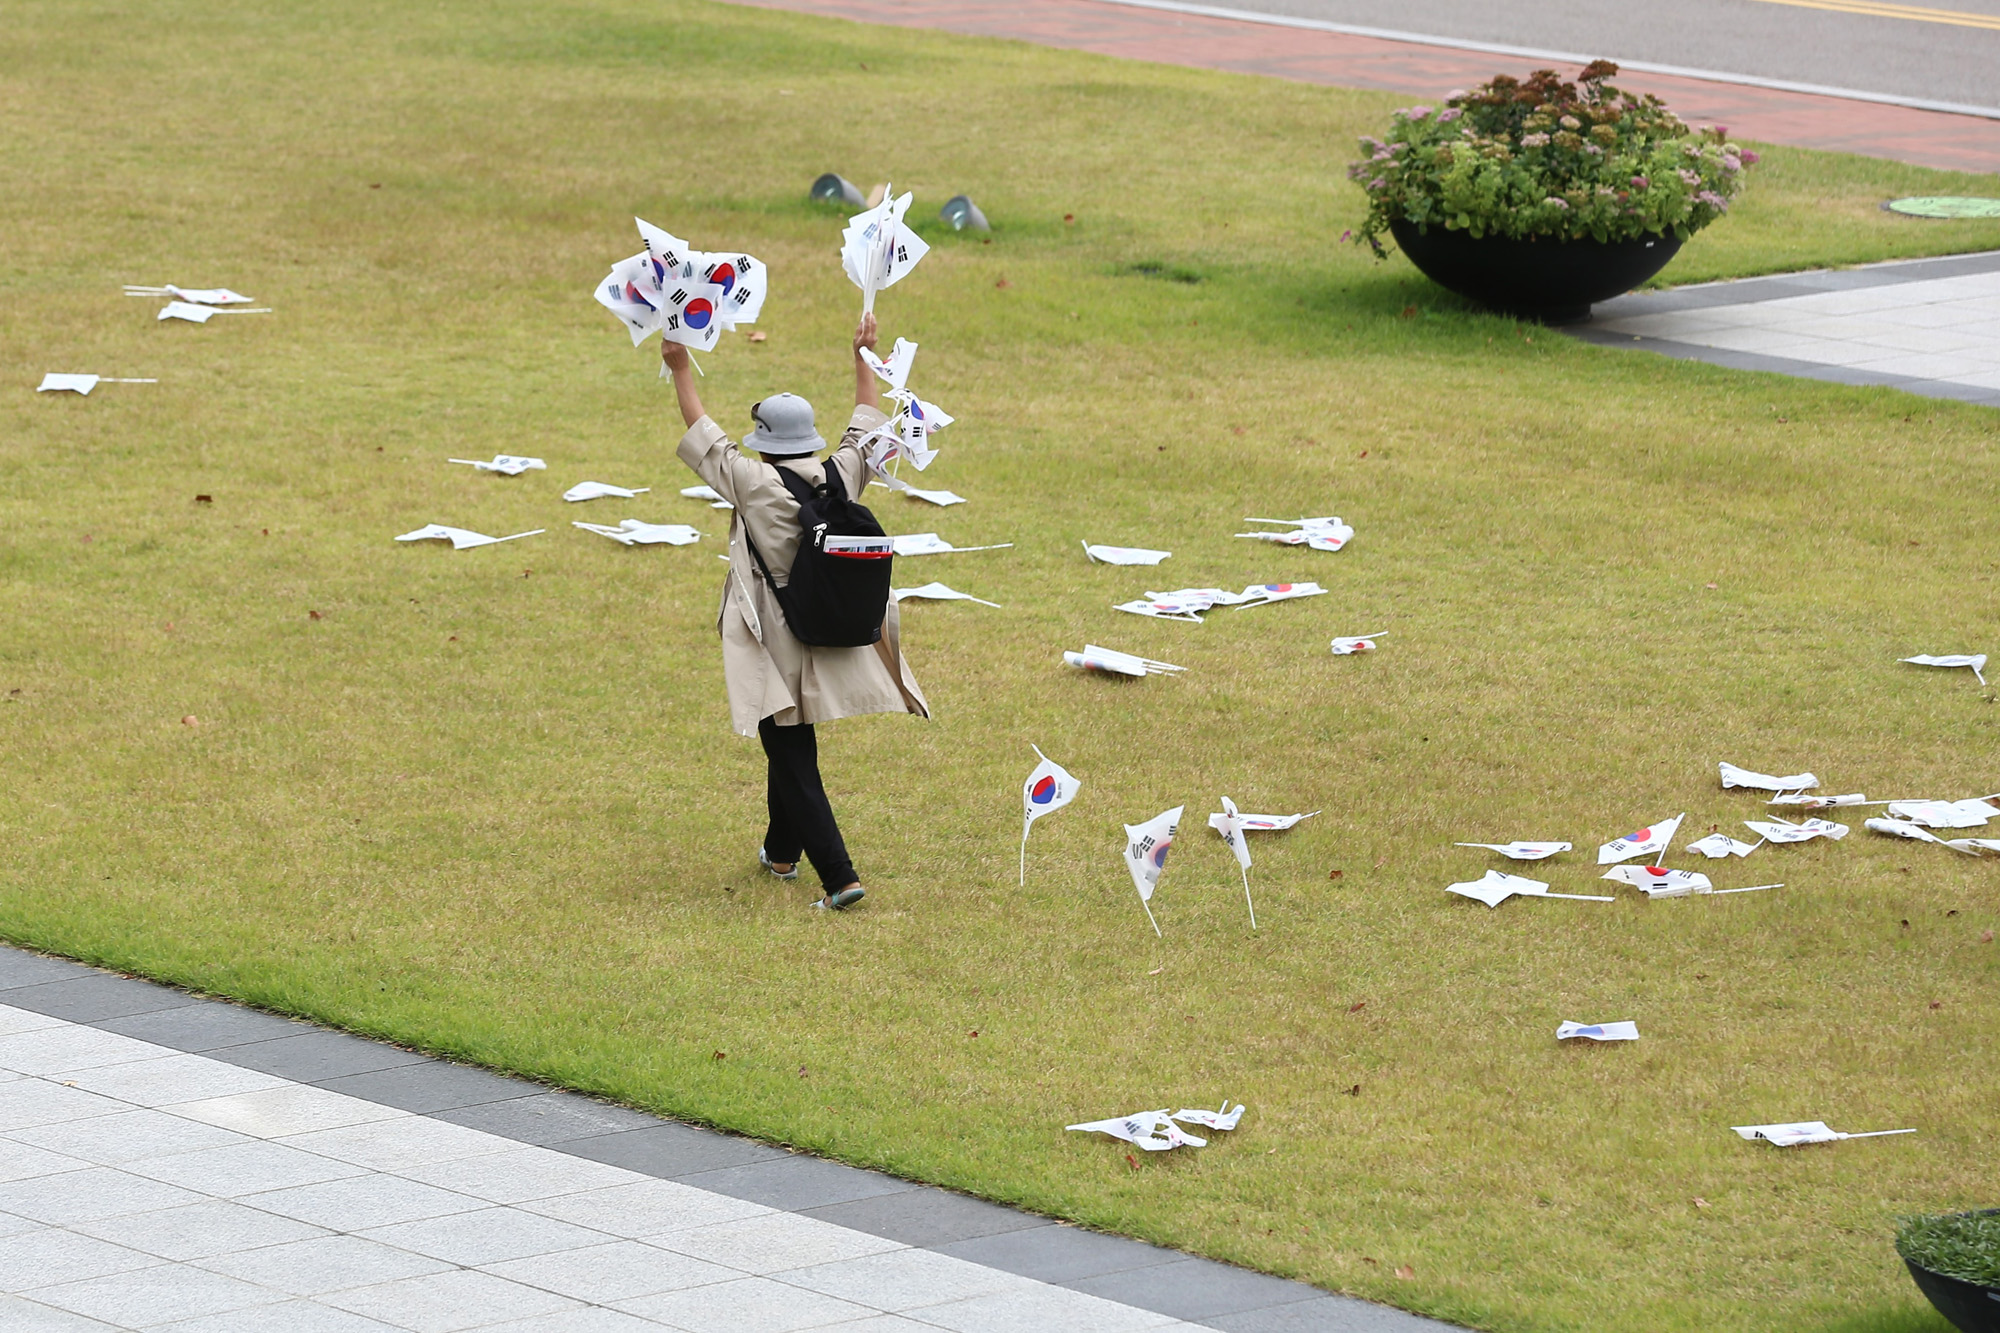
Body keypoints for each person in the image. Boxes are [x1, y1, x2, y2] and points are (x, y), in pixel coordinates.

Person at [663, 314, 929, 910]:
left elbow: (702, 431)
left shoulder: (755, 483)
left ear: (764, 439)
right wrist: (864, 355)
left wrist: (680, 367)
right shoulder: (841, 473)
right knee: (787, 735)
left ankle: (839, 877)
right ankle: (780, 852)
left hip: (775, 637)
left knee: (789, 750)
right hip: (827, 624)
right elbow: (867, 424)